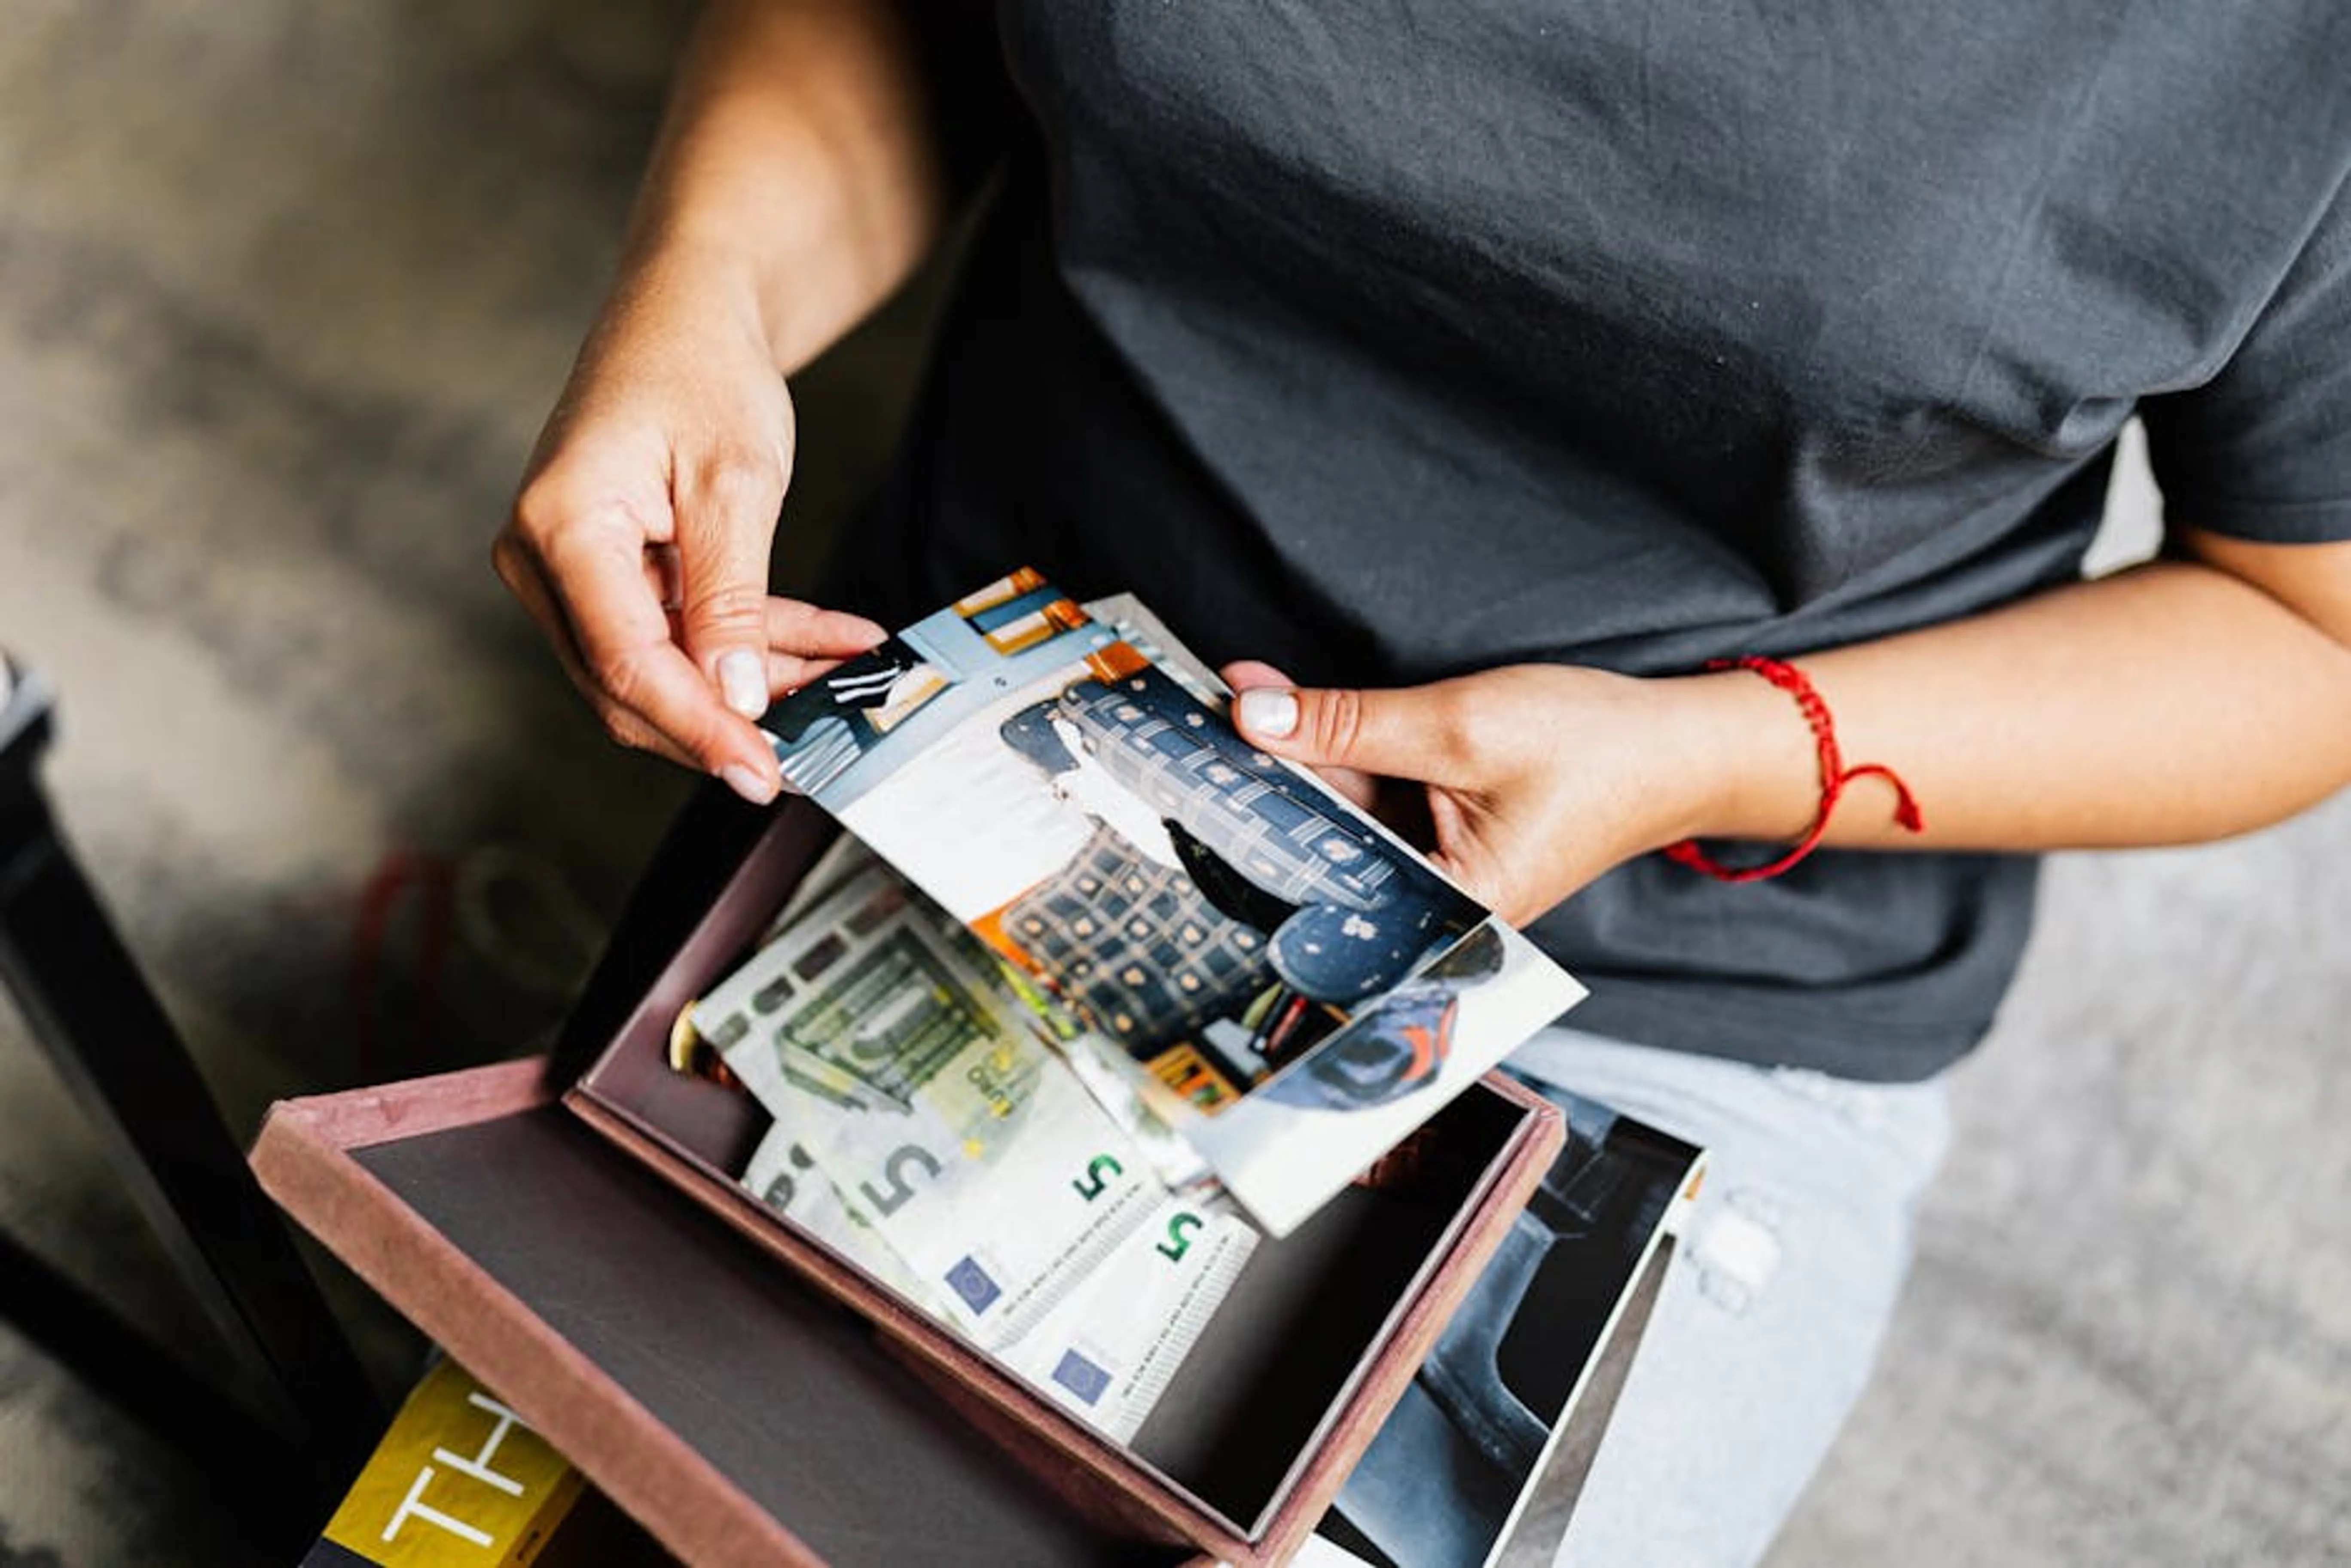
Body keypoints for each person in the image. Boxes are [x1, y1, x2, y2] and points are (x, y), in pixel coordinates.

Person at [493, 4, 2351, 1561]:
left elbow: (2312, 631)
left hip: (1668, 981)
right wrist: (706, 293)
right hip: (989, 770)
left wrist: (1709, 751)